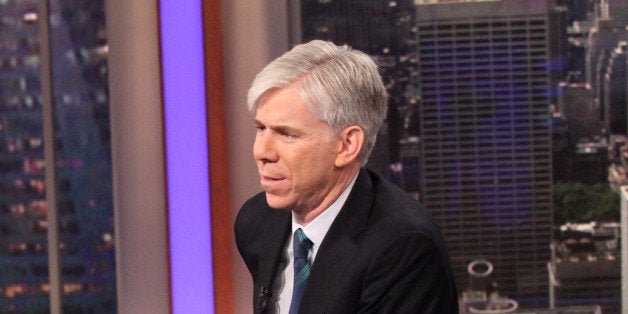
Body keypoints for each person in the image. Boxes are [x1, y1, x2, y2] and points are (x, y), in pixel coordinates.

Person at [235, 40, 458, 314]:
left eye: (286, 134)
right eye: (260, 128)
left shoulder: (403, 248)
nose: (261, 152)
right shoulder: (257, 221)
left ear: (346, 145)